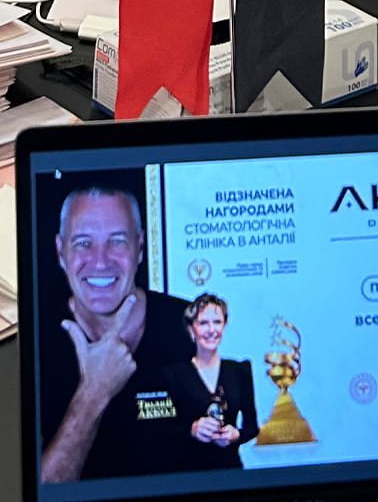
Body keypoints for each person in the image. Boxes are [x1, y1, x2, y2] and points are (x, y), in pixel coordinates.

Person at [38, 185, 192, 482]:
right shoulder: (37, 341)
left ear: (140, 249)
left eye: (118, 241)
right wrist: (94, 392)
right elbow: (44, 490)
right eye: (83, 243)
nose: (100, 261)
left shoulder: (195, 327)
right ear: (60, 252)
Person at [165, 293, 260, 468]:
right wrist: (192, 429)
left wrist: (236, 435)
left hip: (230, 471)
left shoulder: (240, 370)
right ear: (191, 329)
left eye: (217, 322)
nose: (211, 330)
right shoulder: (173, 375)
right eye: (203, 323)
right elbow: (163, 429)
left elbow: (252, 428)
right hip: (188, 471)